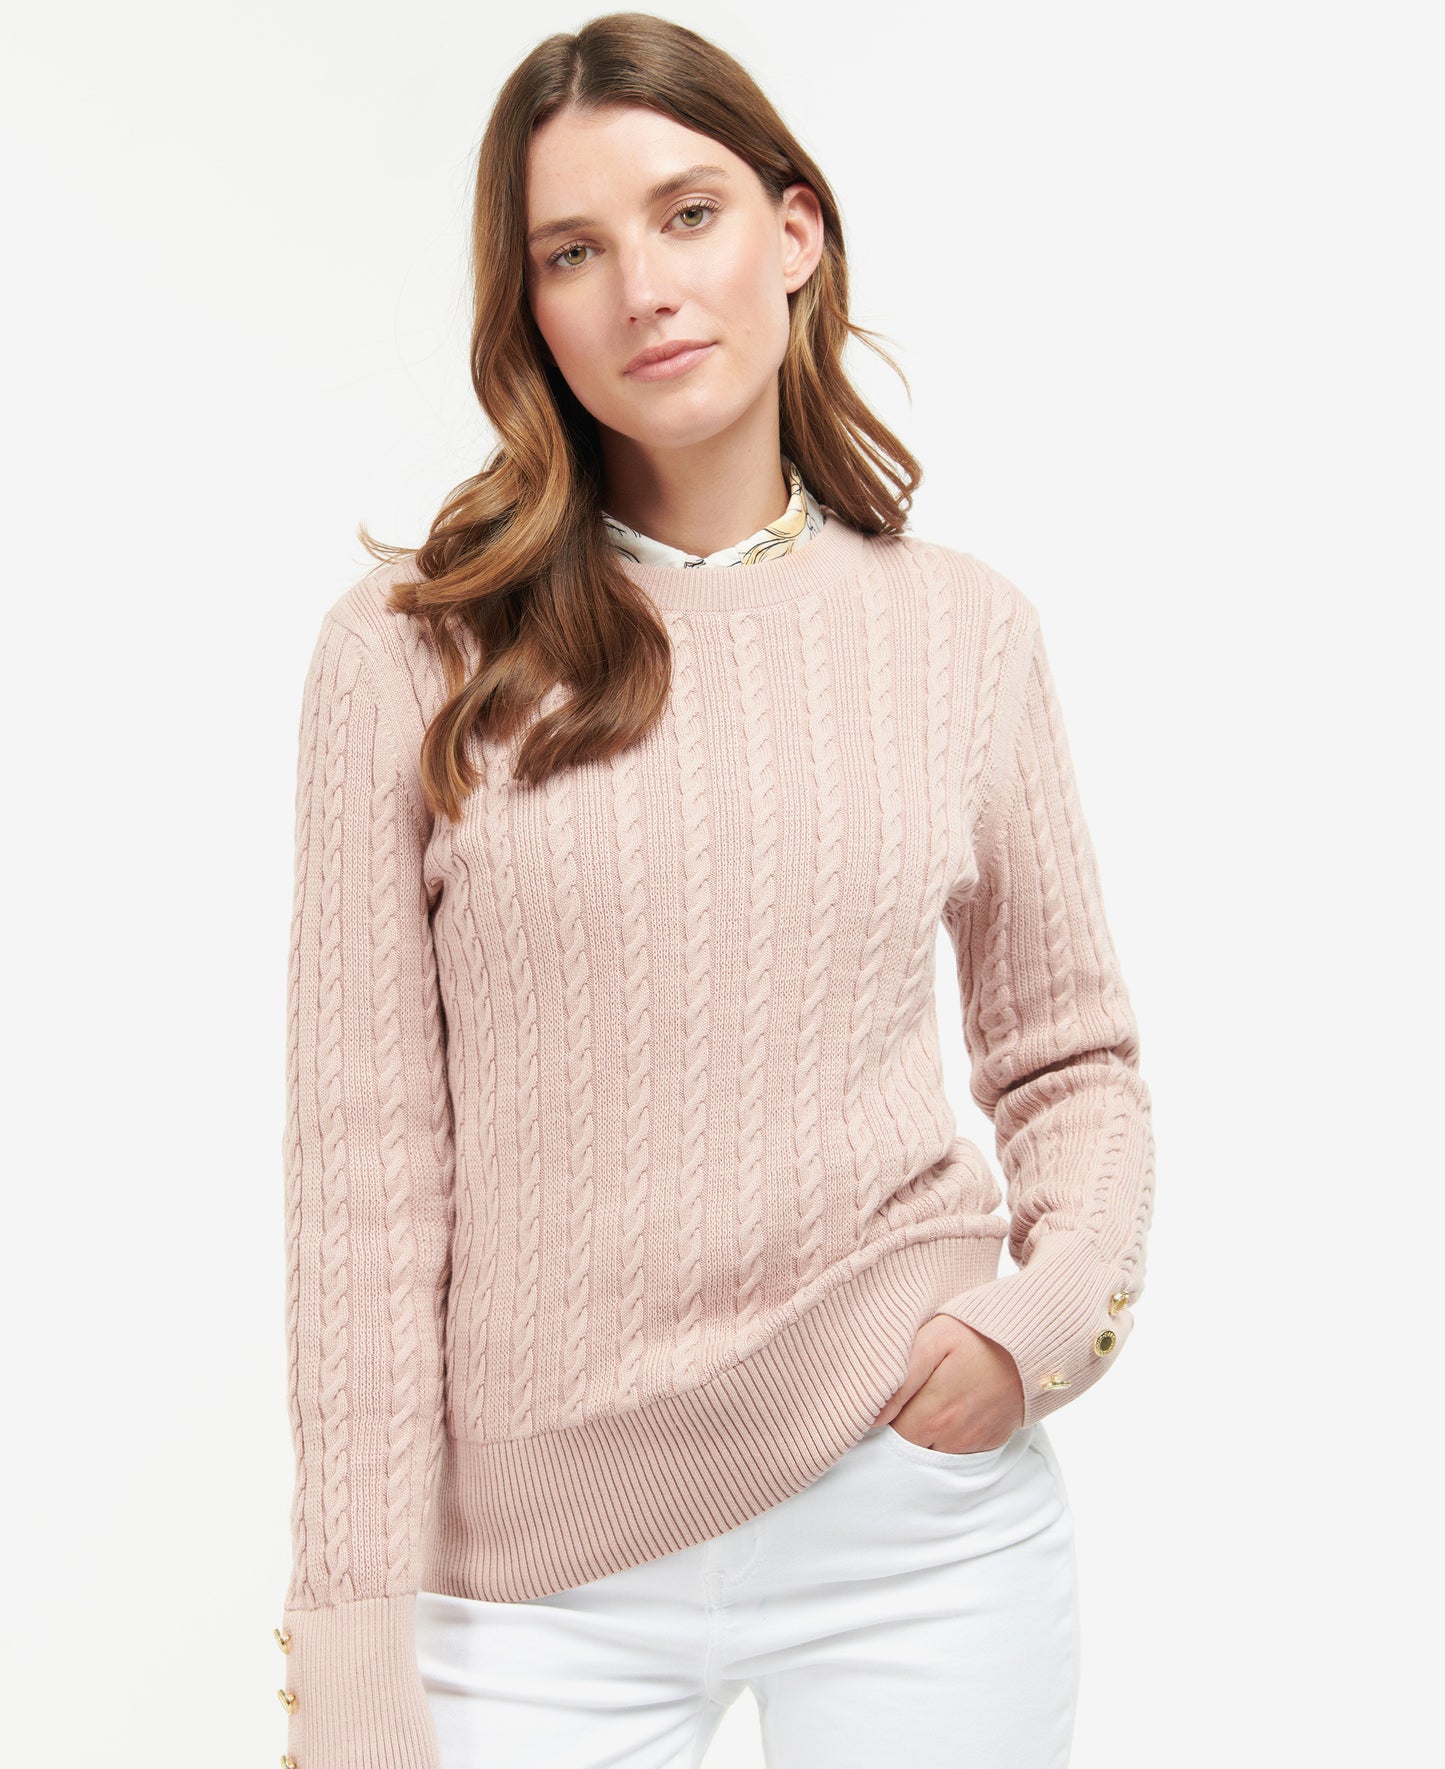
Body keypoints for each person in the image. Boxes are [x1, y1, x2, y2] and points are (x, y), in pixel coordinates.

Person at [272, 13, 1155, 1769]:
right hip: (525, 1584)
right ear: (528, 308)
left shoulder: (960, 630)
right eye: (571, 252)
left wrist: (1045, 1316)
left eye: (688, 215)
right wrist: (351, 1634)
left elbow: (1069, 1053)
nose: (644, 291)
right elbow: (364, 1178)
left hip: (911, 1516)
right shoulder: (410, 653)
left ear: (793, 231)